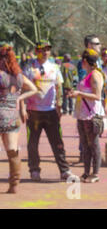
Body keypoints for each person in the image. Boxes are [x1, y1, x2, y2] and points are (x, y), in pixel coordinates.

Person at [23, 40, 74, 181]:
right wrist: (23, 107)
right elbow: (24, 88)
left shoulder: (55, 67)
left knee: (57, 141)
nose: (45, 52)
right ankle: (34, 170)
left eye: (47, 49)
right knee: (32, 142)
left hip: (51, 111)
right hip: (33, 111)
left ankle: (64, 170)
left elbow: (58, 87)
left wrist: (60, 105)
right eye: (42, 49)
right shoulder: (29, 67)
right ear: (36, 51)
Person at [0, 44, 38, 193]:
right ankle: (14, 184)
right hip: (12, 115)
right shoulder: (19, 76)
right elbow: (34, 89)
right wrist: (19, 98)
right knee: (12, 150)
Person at [69, 49, 105, 183]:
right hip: (82, 114)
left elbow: (97, 96)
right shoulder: (87, 74)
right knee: (85, 145)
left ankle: (95, 173)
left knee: (93, 144)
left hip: (91, 115)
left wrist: (79, 93)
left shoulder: (95, 75)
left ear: (85, 61)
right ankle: (86, 172)